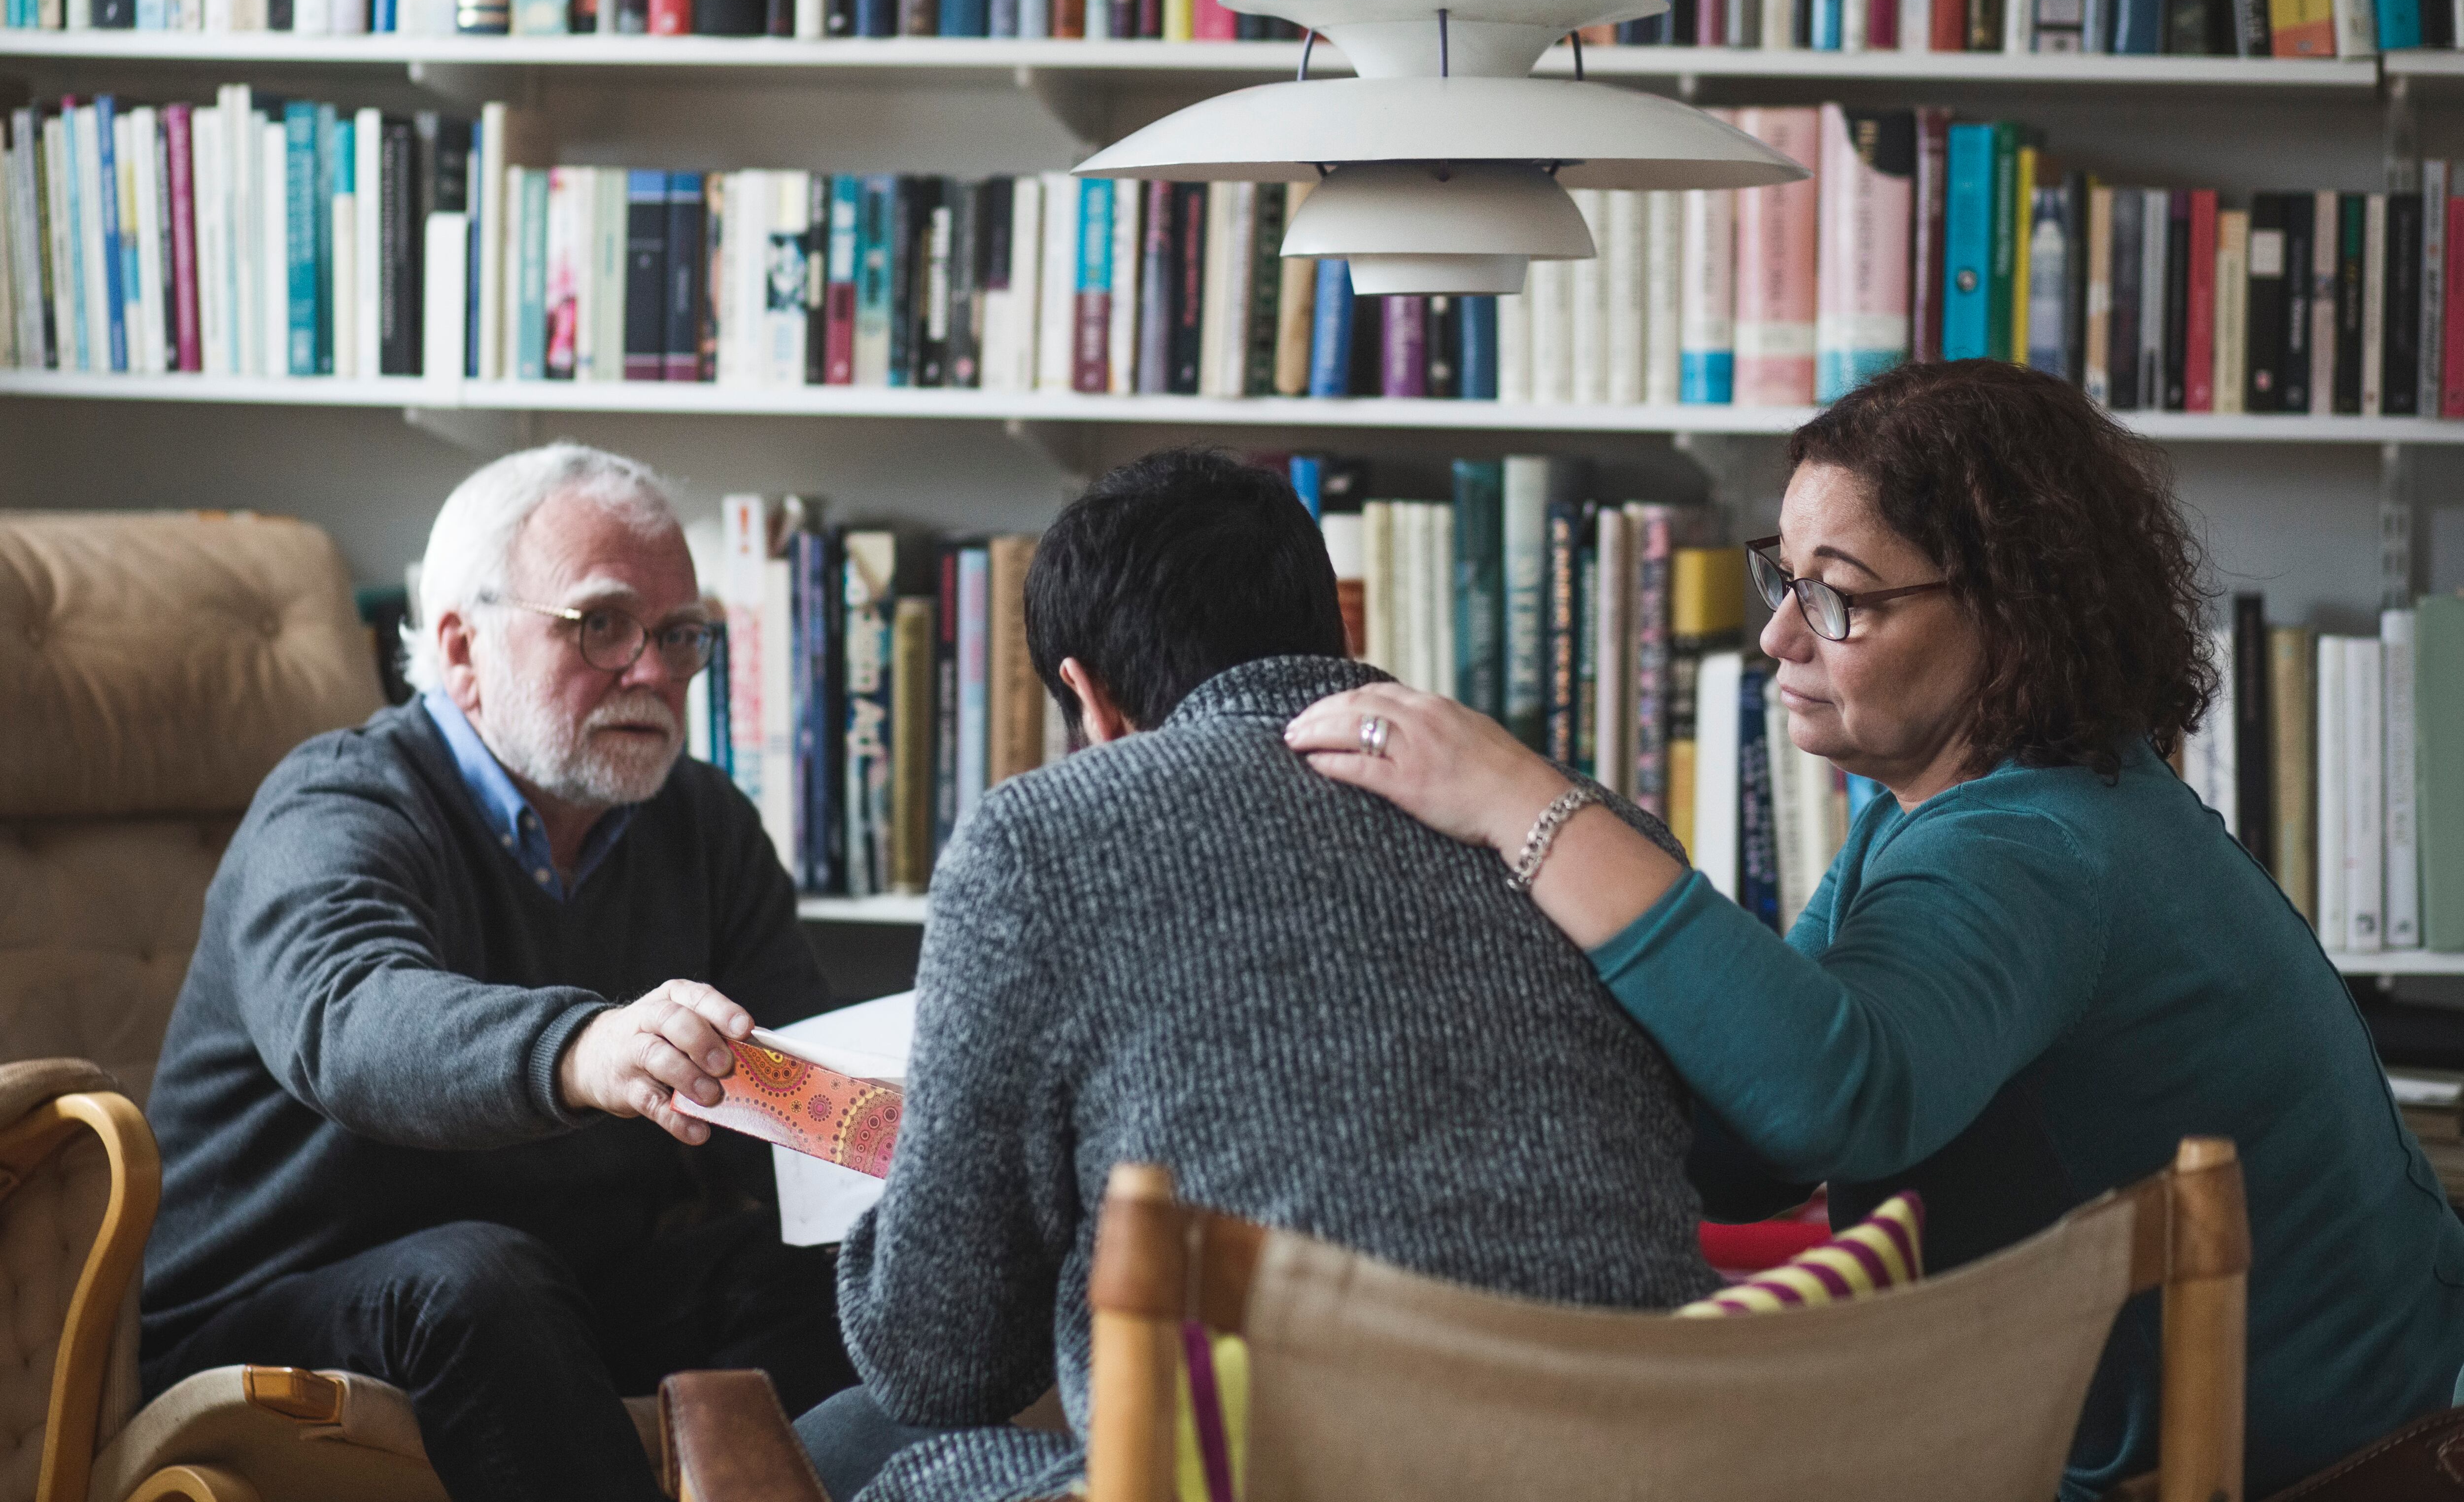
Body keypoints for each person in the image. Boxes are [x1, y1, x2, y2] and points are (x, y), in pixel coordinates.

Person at [1284, 357, 2464, 1499]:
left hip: (2336, 1473)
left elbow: (1826, 1096)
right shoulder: (1962, 812)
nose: (1779, 639)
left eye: (1837, 594)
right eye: (1784, 577)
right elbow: (1758, 1147)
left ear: (2011, 613)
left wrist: (1516, 798)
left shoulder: (2035, 845)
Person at [799, 447, 1719, 1502]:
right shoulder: (1585, 837)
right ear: (1331, 635)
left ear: (1087, 701)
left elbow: (938, 1360)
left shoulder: (1037, 840)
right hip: (1638, 1465)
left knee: (869, 1460)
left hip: (1287, 1474)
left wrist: (920, 1164)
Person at [142, 445, 855, 1502]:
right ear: (462, 645)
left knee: (838, 1271)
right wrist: (582, 1047)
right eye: (602, 624)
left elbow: (796, 1090)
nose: (654, 672)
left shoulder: (700, 823)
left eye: (678, 635)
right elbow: (347, 1015)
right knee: (474, 1278)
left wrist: (914, 1145)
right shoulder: (337, 802)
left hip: (555, 1291)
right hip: (267, 1313)